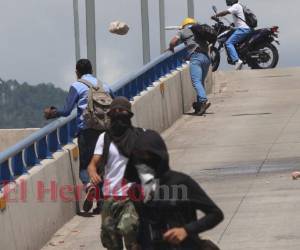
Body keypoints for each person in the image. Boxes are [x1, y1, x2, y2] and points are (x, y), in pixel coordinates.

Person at [125, 130, 224, 250]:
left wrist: (186, 230)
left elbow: (215, 214)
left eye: (147, 156)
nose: (142, 161)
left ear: (158, 155)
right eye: (138, 156)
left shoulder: (181, 182)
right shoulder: (136, 189)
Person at [44, 59, 112, 213]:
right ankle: (100, 203)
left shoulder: (77, 86)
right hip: (105, 131)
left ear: (77, 72)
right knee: (100, 166)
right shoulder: (104, 85)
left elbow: (67, 110)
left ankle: (88, 186)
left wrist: (53, 112)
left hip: (87, 131)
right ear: (92, 69)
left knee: (85, 165)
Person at [87, 97, 143, 250]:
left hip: (131, 197)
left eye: (122, 111)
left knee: (130, 230)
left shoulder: (139, 136)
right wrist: (92, 172)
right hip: (109, 198)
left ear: (129, 115)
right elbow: (93, 164)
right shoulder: (104, 138)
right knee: (111, 242)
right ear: (110, 115)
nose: (118, 114)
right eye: (115, 111)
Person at [169, 18, 211, 115]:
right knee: (200, 82)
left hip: (196, 58)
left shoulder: (183, 31)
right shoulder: (199, 31)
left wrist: (171, 48)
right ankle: (200, 106)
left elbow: (173, 42)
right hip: (206, 58)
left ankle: (203, 100)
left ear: (184, 25)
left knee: (196, 81)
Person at [212, 0, 251, 70]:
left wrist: (216, 15)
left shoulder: (236, 6)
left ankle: (237, 61)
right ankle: (238, 59)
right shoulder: (238, 6)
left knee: (228, 43)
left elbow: (225, 12)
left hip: (243, 29)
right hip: (241, 28)